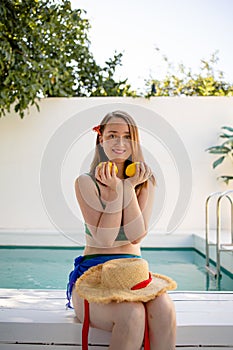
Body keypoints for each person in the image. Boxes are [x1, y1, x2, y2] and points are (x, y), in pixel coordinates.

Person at [67, 110, 177, 350]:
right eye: (112, 135)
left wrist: (127, 187)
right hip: (93, 275)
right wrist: (116, 191)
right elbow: (105, 239)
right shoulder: (85, 182)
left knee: (165, 309)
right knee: (131, 314)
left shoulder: (143, 181)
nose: (120, 142)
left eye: (127, 136)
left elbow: (137, 234)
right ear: (101, 140)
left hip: (133, 275)